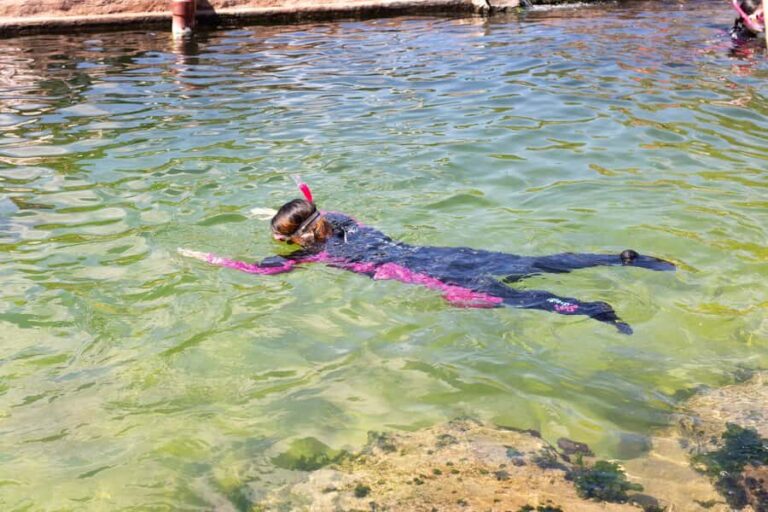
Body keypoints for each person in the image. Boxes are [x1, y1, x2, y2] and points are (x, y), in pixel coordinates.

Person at [180, 185, 675, 335]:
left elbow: (263, 269)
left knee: (519, 300)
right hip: (439, 254)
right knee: (538, 261)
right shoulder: (346, 222)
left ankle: (593, 311)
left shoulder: (317, 253)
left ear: (296, 241)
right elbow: (315, 214)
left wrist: (210, 257)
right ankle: (620, 258)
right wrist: (281, 214)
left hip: (430, 274)